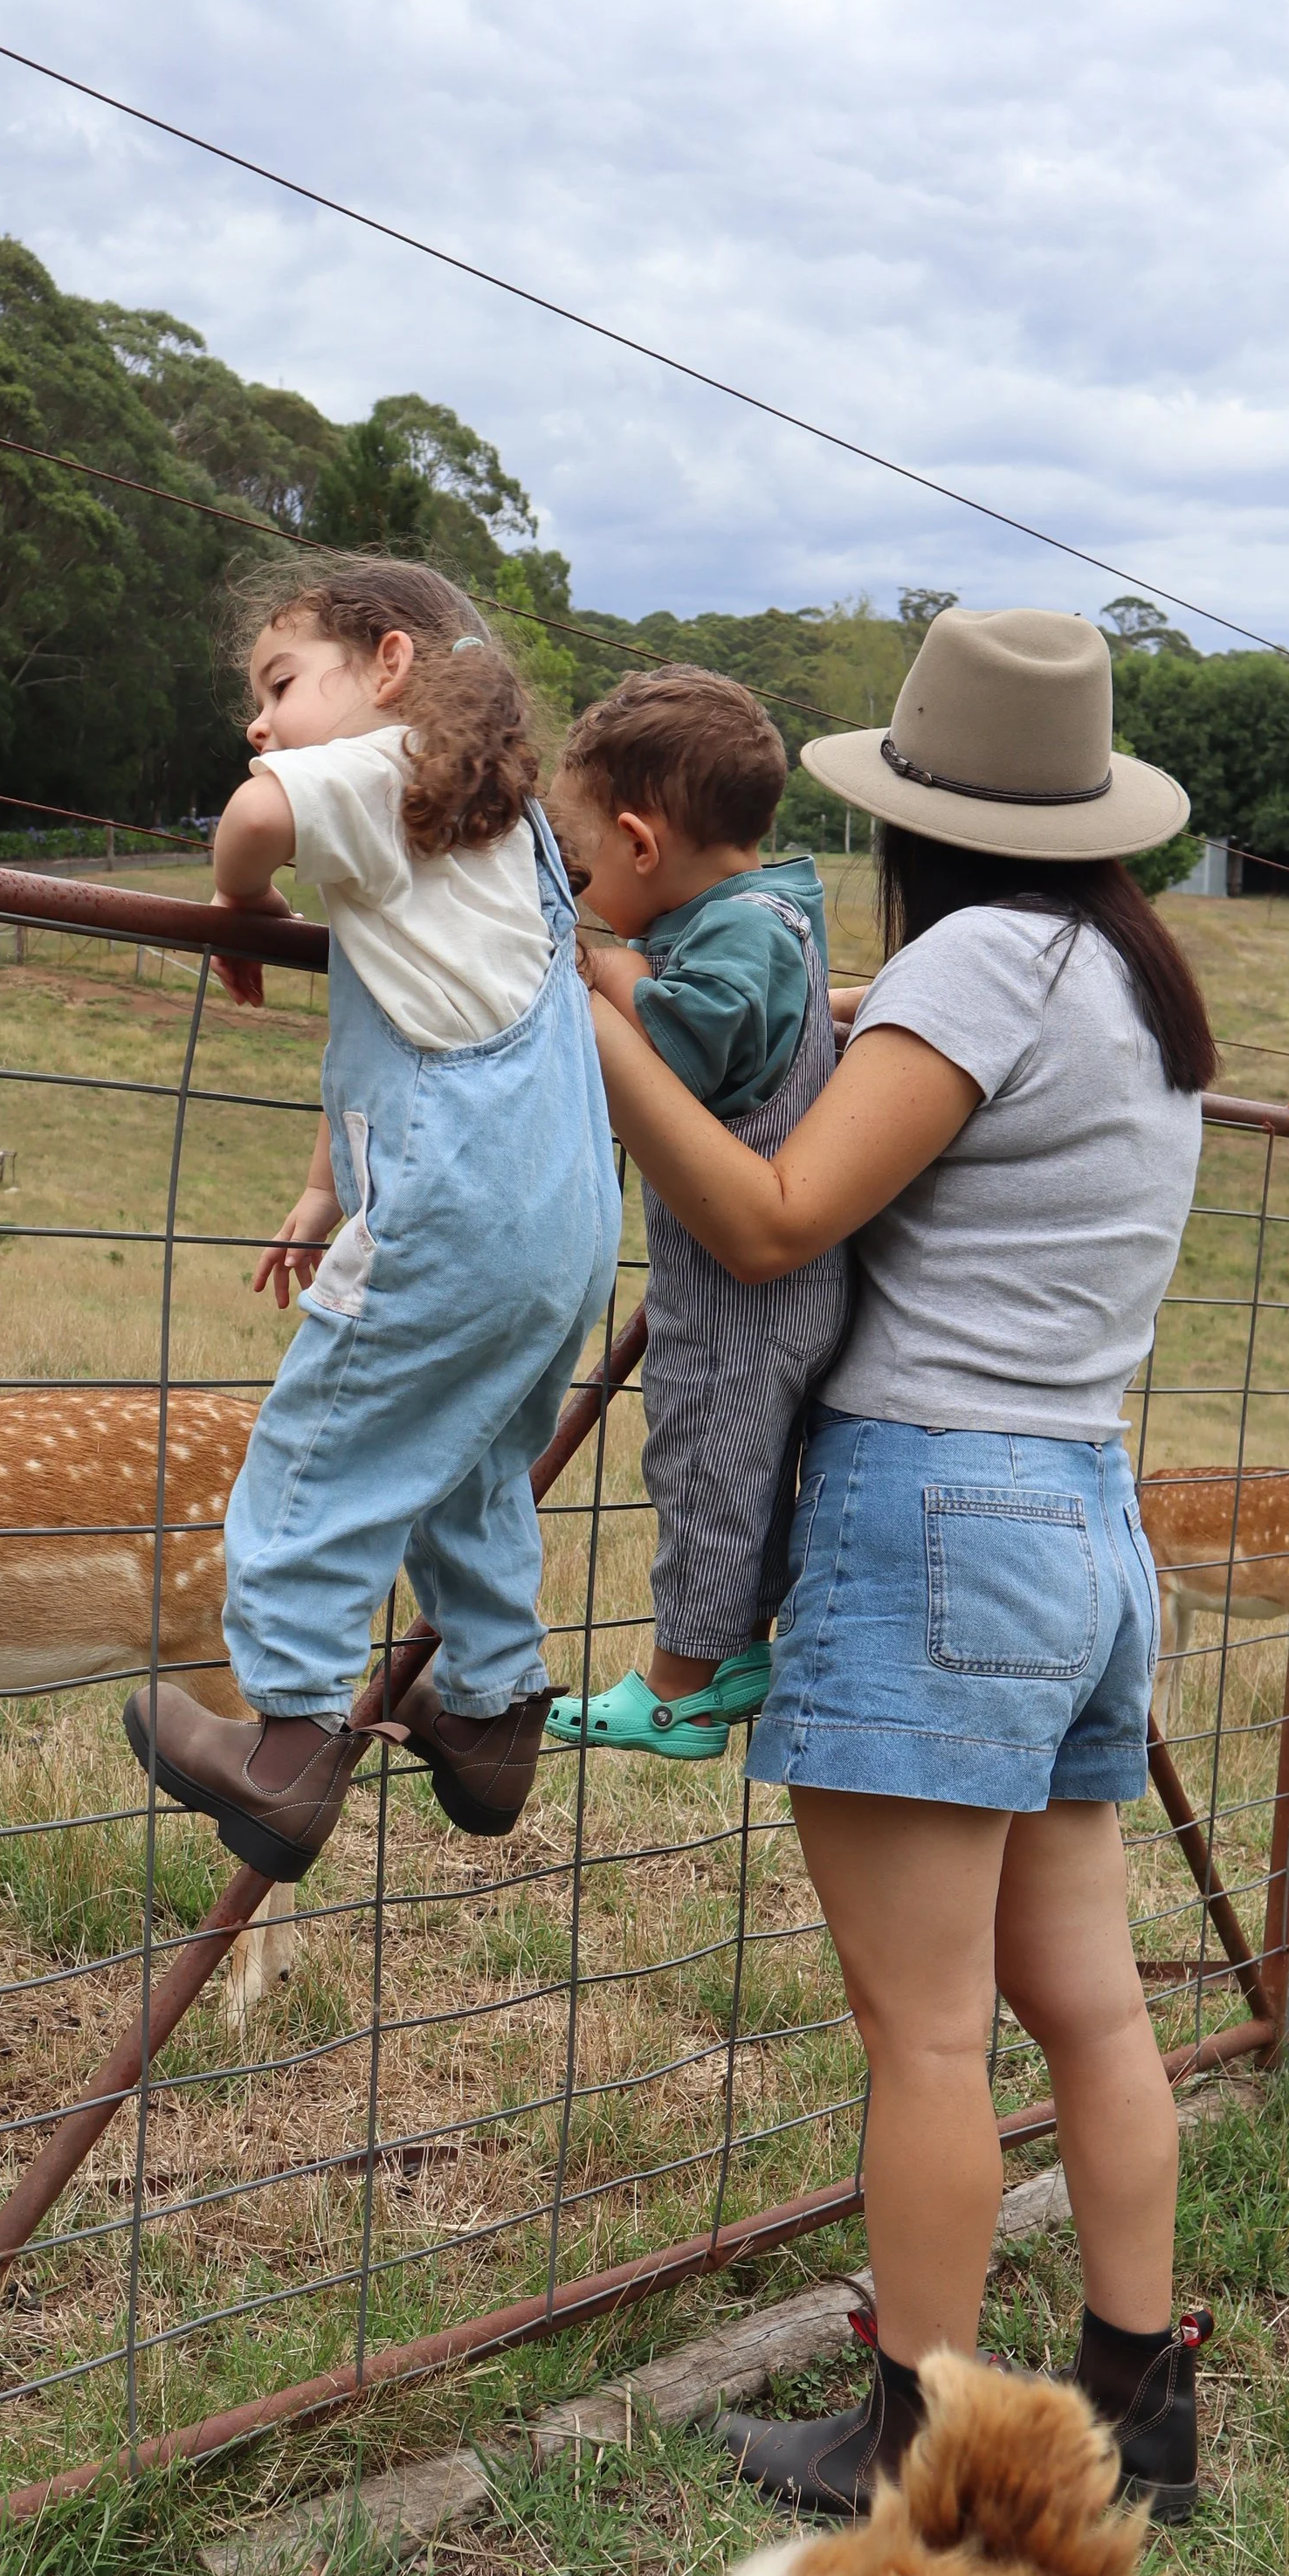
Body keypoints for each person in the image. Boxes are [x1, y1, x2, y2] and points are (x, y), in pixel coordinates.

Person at [576, 606, 1214, 2520]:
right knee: (1087, 2005)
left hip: (933, 1517)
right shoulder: (1125, 977)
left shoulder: (974, 963)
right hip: (1081, 1520)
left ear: (913, 815)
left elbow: (771, 1221)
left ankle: (911, 2439)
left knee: (924, 2031)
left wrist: (601, 1031)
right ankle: (1133, 2404)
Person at [124, 557, 621, 1884]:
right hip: (561, 1235)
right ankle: (493, 1709)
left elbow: (252, 814)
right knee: (463, 1463)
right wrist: (322, 1188)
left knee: (317, 1460)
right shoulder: (502, 835)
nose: (262, 717)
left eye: (281, 682)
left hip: (454, 1226)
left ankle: (285, 1748)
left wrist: (240, 902)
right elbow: (426, 1038)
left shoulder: (375, 767)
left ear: (390, 665)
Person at [544, 669, 850, 1760]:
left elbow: (685, 1042)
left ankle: (678, 1688)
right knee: (745, 1468)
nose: (576, 892)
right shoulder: (774, 916)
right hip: (775, 1281)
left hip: (740, 1290)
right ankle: (736, 1652)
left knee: (705, 1462)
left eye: (578, 863)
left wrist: (611, 976)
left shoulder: (734, 938)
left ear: (636, 843)